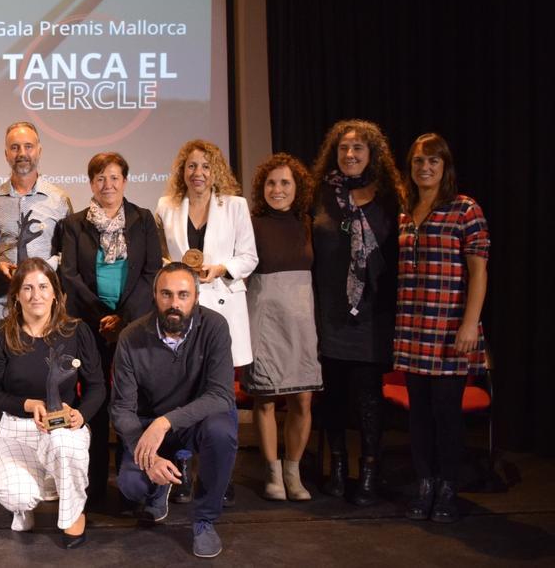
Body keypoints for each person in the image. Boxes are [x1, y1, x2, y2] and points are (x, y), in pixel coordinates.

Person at [112, 263, 238, 559]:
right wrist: (149, 457)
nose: (174, 303)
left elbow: (221, 395)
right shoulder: (131, 337)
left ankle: (204, 520)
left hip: (197, 421)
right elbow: (122, 408)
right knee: (132, 485)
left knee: (222, 430)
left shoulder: (215, 327)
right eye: (166, 294)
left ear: (196, 297)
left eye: (183, 295)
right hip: (150, 425)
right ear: (154, 295)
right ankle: (159, 487)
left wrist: (166, 421)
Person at [395, 133, 489, 523]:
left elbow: (479, 272)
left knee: (446, 413)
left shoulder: (465, 209)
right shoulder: (405, 211)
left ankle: (448, 486)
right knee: (418, 414)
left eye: (433, 161)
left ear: (445, 166)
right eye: (418, 161)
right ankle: (426, 482)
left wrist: (470, 323)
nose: (425, 168)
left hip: (450, 329)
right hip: (412, 328)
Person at [57, 152, 163, 498]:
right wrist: (103, 313)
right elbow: (69, 275)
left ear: (125, 181)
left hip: (135, 326)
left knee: (135, 399)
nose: (108, 185)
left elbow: (150, 273)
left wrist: (123, 318)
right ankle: (95, 483)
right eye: (100, 178)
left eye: (114, 177)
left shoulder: (143, 220)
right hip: (89, 325)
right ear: (90, 183)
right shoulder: (73, 225)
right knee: (95, 400)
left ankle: (138, 480)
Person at [311, 119, 405, 506]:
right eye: (343, 149)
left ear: (373, 155)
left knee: (368, 397)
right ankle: (336, 468)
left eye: (358, 149)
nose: (349, 155)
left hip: (372, 315)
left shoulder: (390, 198)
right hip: (328, 312)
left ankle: (368, 471)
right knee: (332, 396)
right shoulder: (320, 194)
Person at [0, 258, 104, 548]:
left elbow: (97, 386)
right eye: (28, 288)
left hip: (63, 426)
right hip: (16, 428)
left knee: (63, 446)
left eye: (43, 286)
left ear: (56, 294)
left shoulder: (77, 331)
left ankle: (74, 514)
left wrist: (81, 415)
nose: (36, 295)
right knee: (16, 494)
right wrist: (28, 404)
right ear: (16, 296)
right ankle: (29, 501)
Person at [0, 121, 73, 493]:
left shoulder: (58, 198)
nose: (22, 154)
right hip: (2, 306)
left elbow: (68, 252)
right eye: (15, 147)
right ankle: (5, 463)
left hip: (42, 308)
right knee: (3, 385)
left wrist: (45, 271)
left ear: (39, 150)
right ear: (6, 153)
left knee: (43, 380)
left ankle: (47, 465)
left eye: (28, 146)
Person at [243, 153, 321, 501]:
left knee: (302, 399)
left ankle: (294, 470)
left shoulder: (309, 223)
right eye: (271, 183)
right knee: (266, 399)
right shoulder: (252, 224)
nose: (278, 189)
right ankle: (272, 473)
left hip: (303, 322)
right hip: (264, 320)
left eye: (285, 183)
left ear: (297, 187)